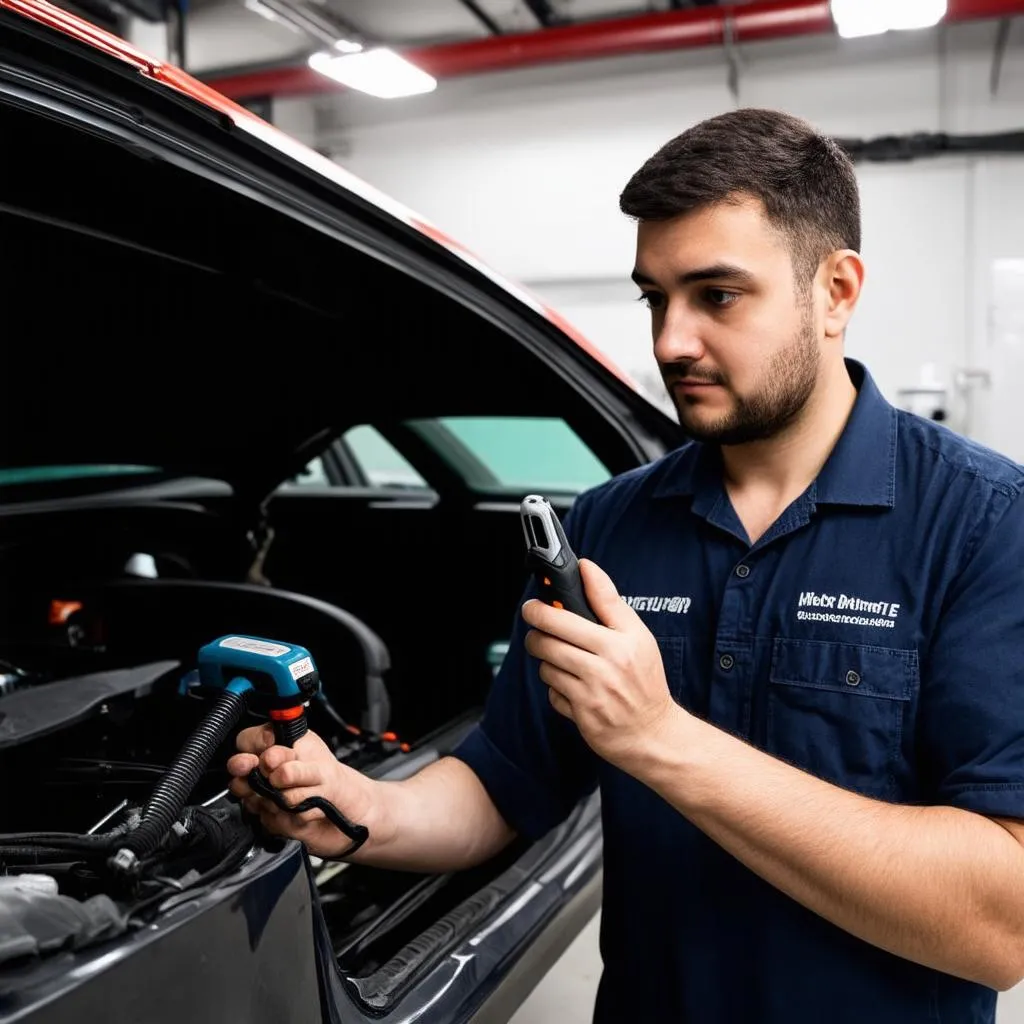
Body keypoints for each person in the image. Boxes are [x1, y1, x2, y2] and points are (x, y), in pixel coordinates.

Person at [227, 108, 1024, 1023]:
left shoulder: (984, 523)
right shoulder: (610, 523)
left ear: (836, 290)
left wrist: (660, 738)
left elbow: (1000, 922)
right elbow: (503, 784)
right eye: (656, 297)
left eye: (717, 296)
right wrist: (356, 805)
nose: (670, 342)